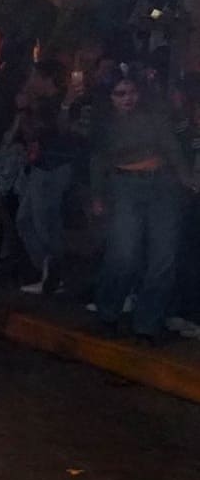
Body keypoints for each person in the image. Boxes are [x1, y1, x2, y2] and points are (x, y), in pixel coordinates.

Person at [89, 76, 194, 343]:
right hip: (124, 185)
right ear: (110, 97)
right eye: (120, 93)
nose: (127, 98)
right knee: (124, 255)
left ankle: (147, 324)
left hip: (161, 185)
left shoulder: (154, 117)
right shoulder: (105, 124)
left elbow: (171, 149)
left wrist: (188, 180)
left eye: (132, 92)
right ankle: (108, 311)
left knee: (163, 258)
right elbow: (98, 160)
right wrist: (97, 195)